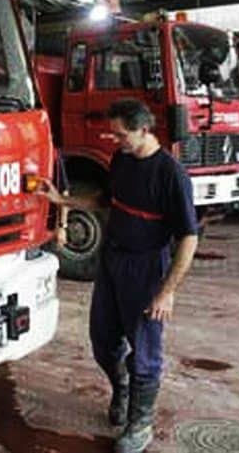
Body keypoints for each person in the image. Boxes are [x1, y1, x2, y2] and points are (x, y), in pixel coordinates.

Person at [38, 98, 199, 453]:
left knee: (145, 351)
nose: (115, 140)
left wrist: (166, 291)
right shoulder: (122, 160)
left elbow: (189, 237)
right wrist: (62, 201)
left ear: (144, 130)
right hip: (112, 261)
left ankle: (140, 424)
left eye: (121, 134)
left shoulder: (171, 174)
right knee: (103, 341)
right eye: (114, 134)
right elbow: (105, 200)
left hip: (147, 268)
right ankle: (122, 388)